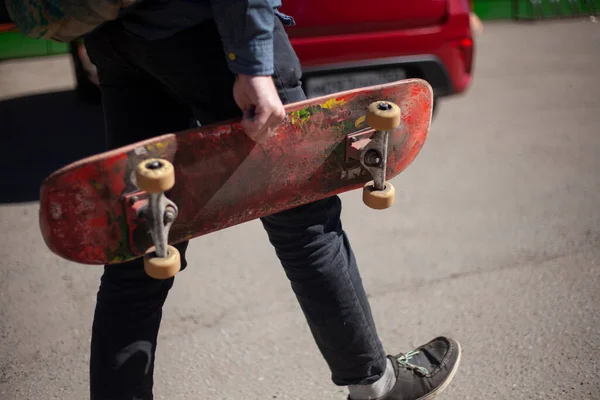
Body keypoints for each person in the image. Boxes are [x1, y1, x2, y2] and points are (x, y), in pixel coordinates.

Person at [8, 1, 462, 399]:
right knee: (304, 218)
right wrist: (254, 62)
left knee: (144, 236)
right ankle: (375, 385)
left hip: (118, 36)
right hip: (209, 31)